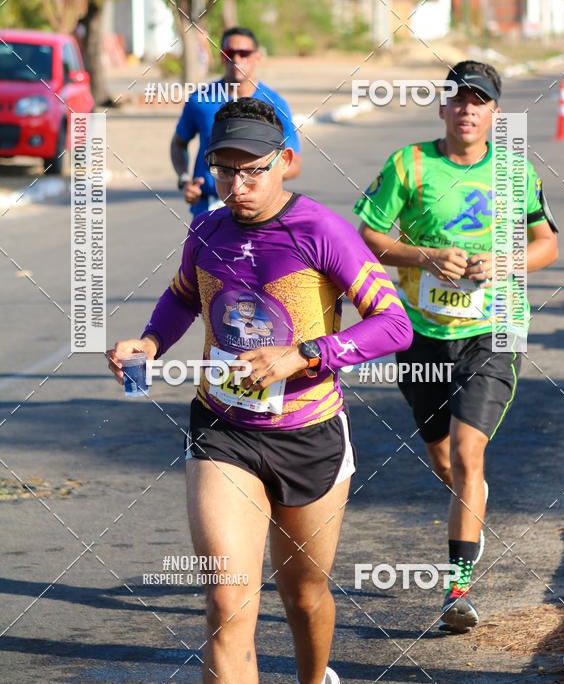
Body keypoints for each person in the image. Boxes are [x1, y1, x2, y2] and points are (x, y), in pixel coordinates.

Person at [108, 97, 413, 683]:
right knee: (227, 604)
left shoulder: (322, 231)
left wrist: (304, 355)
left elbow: (393, 324)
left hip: (310, 434)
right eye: (224, 170)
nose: (238, 184)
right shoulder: (206, 230)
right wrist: (149, 344)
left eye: (252, 169)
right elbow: (183, 295)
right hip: (225, 431)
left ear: (286, 162)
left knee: (303, 597)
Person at [353, 61, 558, 634]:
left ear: (495, 112)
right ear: (441, 107)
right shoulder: (409, 164)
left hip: (494, 331)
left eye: (479, 101)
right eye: (457, 99)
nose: (467, 109)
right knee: (444, 459)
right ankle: (472, 502)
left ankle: (456, 591)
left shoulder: (516, 172)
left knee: (470, 454)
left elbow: (546, 244)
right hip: (420, 333)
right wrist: (424, 257)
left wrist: (507, 262)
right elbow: (368, 236)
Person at [171, 26, 302, 215]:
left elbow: (294, 164)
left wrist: (256, 174)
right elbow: (178, 144)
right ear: (221, 57)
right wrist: (184, 180)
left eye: (244, 53)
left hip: (256, 207)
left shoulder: (276, 104)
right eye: (229, 53)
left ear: (257, 56)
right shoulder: (201, 100)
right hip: (209, 207)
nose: (236, 59)